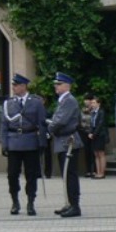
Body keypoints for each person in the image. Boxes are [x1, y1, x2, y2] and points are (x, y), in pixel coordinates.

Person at [0, 73, 48, 215]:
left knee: (31, 175)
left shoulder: (36, 102)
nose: (13, 88)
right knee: (12, 174)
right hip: (13, 142)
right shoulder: (8, 103)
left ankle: (31, 202)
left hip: (30, 141)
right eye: (13, 85)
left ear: (23, 86)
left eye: (16, 85)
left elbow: (42, 123)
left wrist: (42, 143)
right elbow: (4, 125)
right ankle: (15, 201)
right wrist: (4, 144)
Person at [48, 72, 84, 217]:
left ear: (67, 86)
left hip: (68, 141)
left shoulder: (69, 100)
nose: (56, 86)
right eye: (56, 84)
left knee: (70, 175)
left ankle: (75, 206)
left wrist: (49, 128)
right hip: (63, 141)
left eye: (59, 84)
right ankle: (69, 203)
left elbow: (60, 121)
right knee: (66, 175)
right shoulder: (63, 100)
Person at [85, 94, 108, 179]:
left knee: (101, 153)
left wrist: (94, 134)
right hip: (94, 135)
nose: (92, 104)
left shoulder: (101, 112)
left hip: (100, 135)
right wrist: (90, 132)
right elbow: (92, 124)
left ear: (98, 104)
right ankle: (98, 172)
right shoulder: (93, 113)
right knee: (96, 154)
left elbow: (100, 125)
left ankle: (102, 172)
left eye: (94, 103)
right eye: (92, 103)